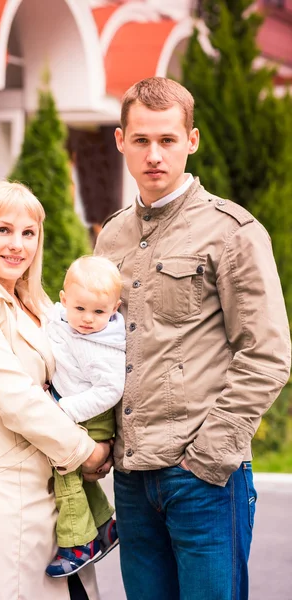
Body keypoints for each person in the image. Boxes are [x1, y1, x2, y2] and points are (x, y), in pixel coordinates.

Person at [95, 77, 291, 600]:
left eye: (167, 140)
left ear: (192, 140)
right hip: (133, 480)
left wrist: (208, 458)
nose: (154, 154)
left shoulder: (233, 230)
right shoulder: (111, 235)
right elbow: (105, 343)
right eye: (141, 141)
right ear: (121, 142)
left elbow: (268, 354)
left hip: (203, 479)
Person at [0, 181, 111, 600]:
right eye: (3, 230)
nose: (18, 245)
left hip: (57, 502)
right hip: (0, 502)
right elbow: (15, 396)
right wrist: (89, 452)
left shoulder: (41, 305)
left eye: (28, 233)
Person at [45, 256, 125, 578]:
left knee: (65, 471)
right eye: (79, 309)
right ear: (64, 301)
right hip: (74, 402)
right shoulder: (61, 319)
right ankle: (105, 525)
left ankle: (79, 544)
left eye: (99, 312)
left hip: (91, 412)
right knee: (76, 476)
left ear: (115, 309)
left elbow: (110, 391)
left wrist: (65, 410)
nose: (88, 319)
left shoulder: (104, 347)